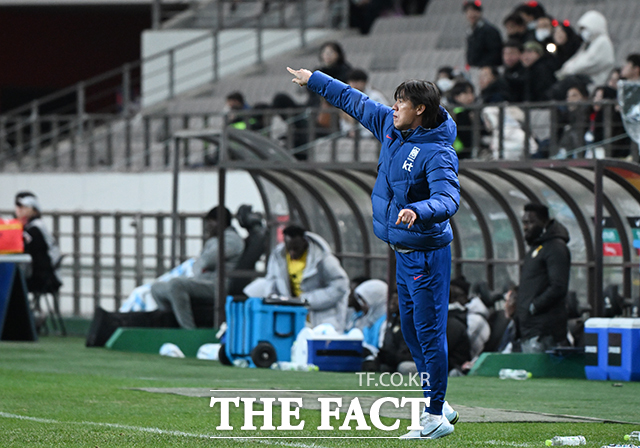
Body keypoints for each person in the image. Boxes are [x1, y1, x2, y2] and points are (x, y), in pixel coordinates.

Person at [287, 61, 460, 438]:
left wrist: (420, 210)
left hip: (426, 254)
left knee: (429, 333)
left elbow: (448, 198)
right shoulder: (392, 127)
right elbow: (355, 101)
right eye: (395, 100)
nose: (394, 107)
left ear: (420, 110)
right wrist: (314, 80)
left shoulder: (438, 151)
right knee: (411, 331)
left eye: (402, 102)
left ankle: (433, 417)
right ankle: (438, 401)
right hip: (402, 251)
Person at [150, 206, 244, 329]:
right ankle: (172, 324)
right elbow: (199, 265)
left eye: (211, 222)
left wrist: (203, 258)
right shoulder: (217, 240)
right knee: (156, 288)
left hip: (217, 285)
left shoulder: (232, 240)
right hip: (203, 281)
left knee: (177, 285)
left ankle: (188, 330)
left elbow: (207, 260)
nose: (208, 226)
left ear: (220, 222)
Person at [260, 224, 349, 332]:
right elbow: (271, 279)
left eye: (296, 248)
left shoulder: (322, 258)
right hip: (292, 317)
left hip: (321, 320)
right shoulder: (278, 256)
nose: (292, 252)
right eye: (289, 249)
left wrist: (308, 300)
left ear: (304, 242)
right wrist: (272, 297)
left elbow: (341, 285)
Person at [516, 203, 570, 353]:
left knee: (541, 367)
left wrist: (534, 306)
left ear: (545, 222)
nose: (526, 227)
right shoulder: (537, 248)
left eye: (531, 222)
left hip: (544, 329)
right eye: (524, 223)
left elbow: (558, 286)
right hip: (529, 328)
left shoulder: (555, 247)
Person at [14, 192, 62, 295]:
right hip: (43, 275)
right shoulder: (32, 226)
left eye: (23, 207)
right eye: (18, 207)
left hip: (45, 278)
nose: (19, 210)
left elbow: (26, 249)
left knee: (10, 282)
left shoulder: (35, 228)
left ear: (33, 209)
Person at [556, 11, 615, 87]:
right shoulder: (590, 43)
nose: (583, 32)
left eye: (585, 29)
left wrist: (569, 70)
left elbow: (589, 63)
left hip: (595, 83)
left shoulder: (602, 42)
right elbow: (577, 59)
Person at [340, 68, 389, 139]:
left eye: (356, 82)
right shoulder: (347, 98)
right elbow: (345, 122)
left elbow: (384, 116)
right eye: (351, 82)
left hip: (373, 136)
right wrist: (349, 131)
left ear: (364, 83)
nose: (353, 85)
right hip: (351, 137)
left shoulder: (375, 97)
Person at [346, 278, 388, 344]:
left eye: (365, 302)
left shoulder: (385, 322)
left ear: (375, 300)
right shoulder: (369, 321)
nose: (362, 305)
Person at [463, 0, 503, 68]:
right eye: (468, 12)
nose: (471, 14)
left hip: (487, 68)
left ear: (479, 12)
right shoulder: (470, 31)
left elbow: (495, 52)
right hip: (476, 68)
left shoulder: (489, 30)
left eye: (474, 11)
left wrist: (484, 65)